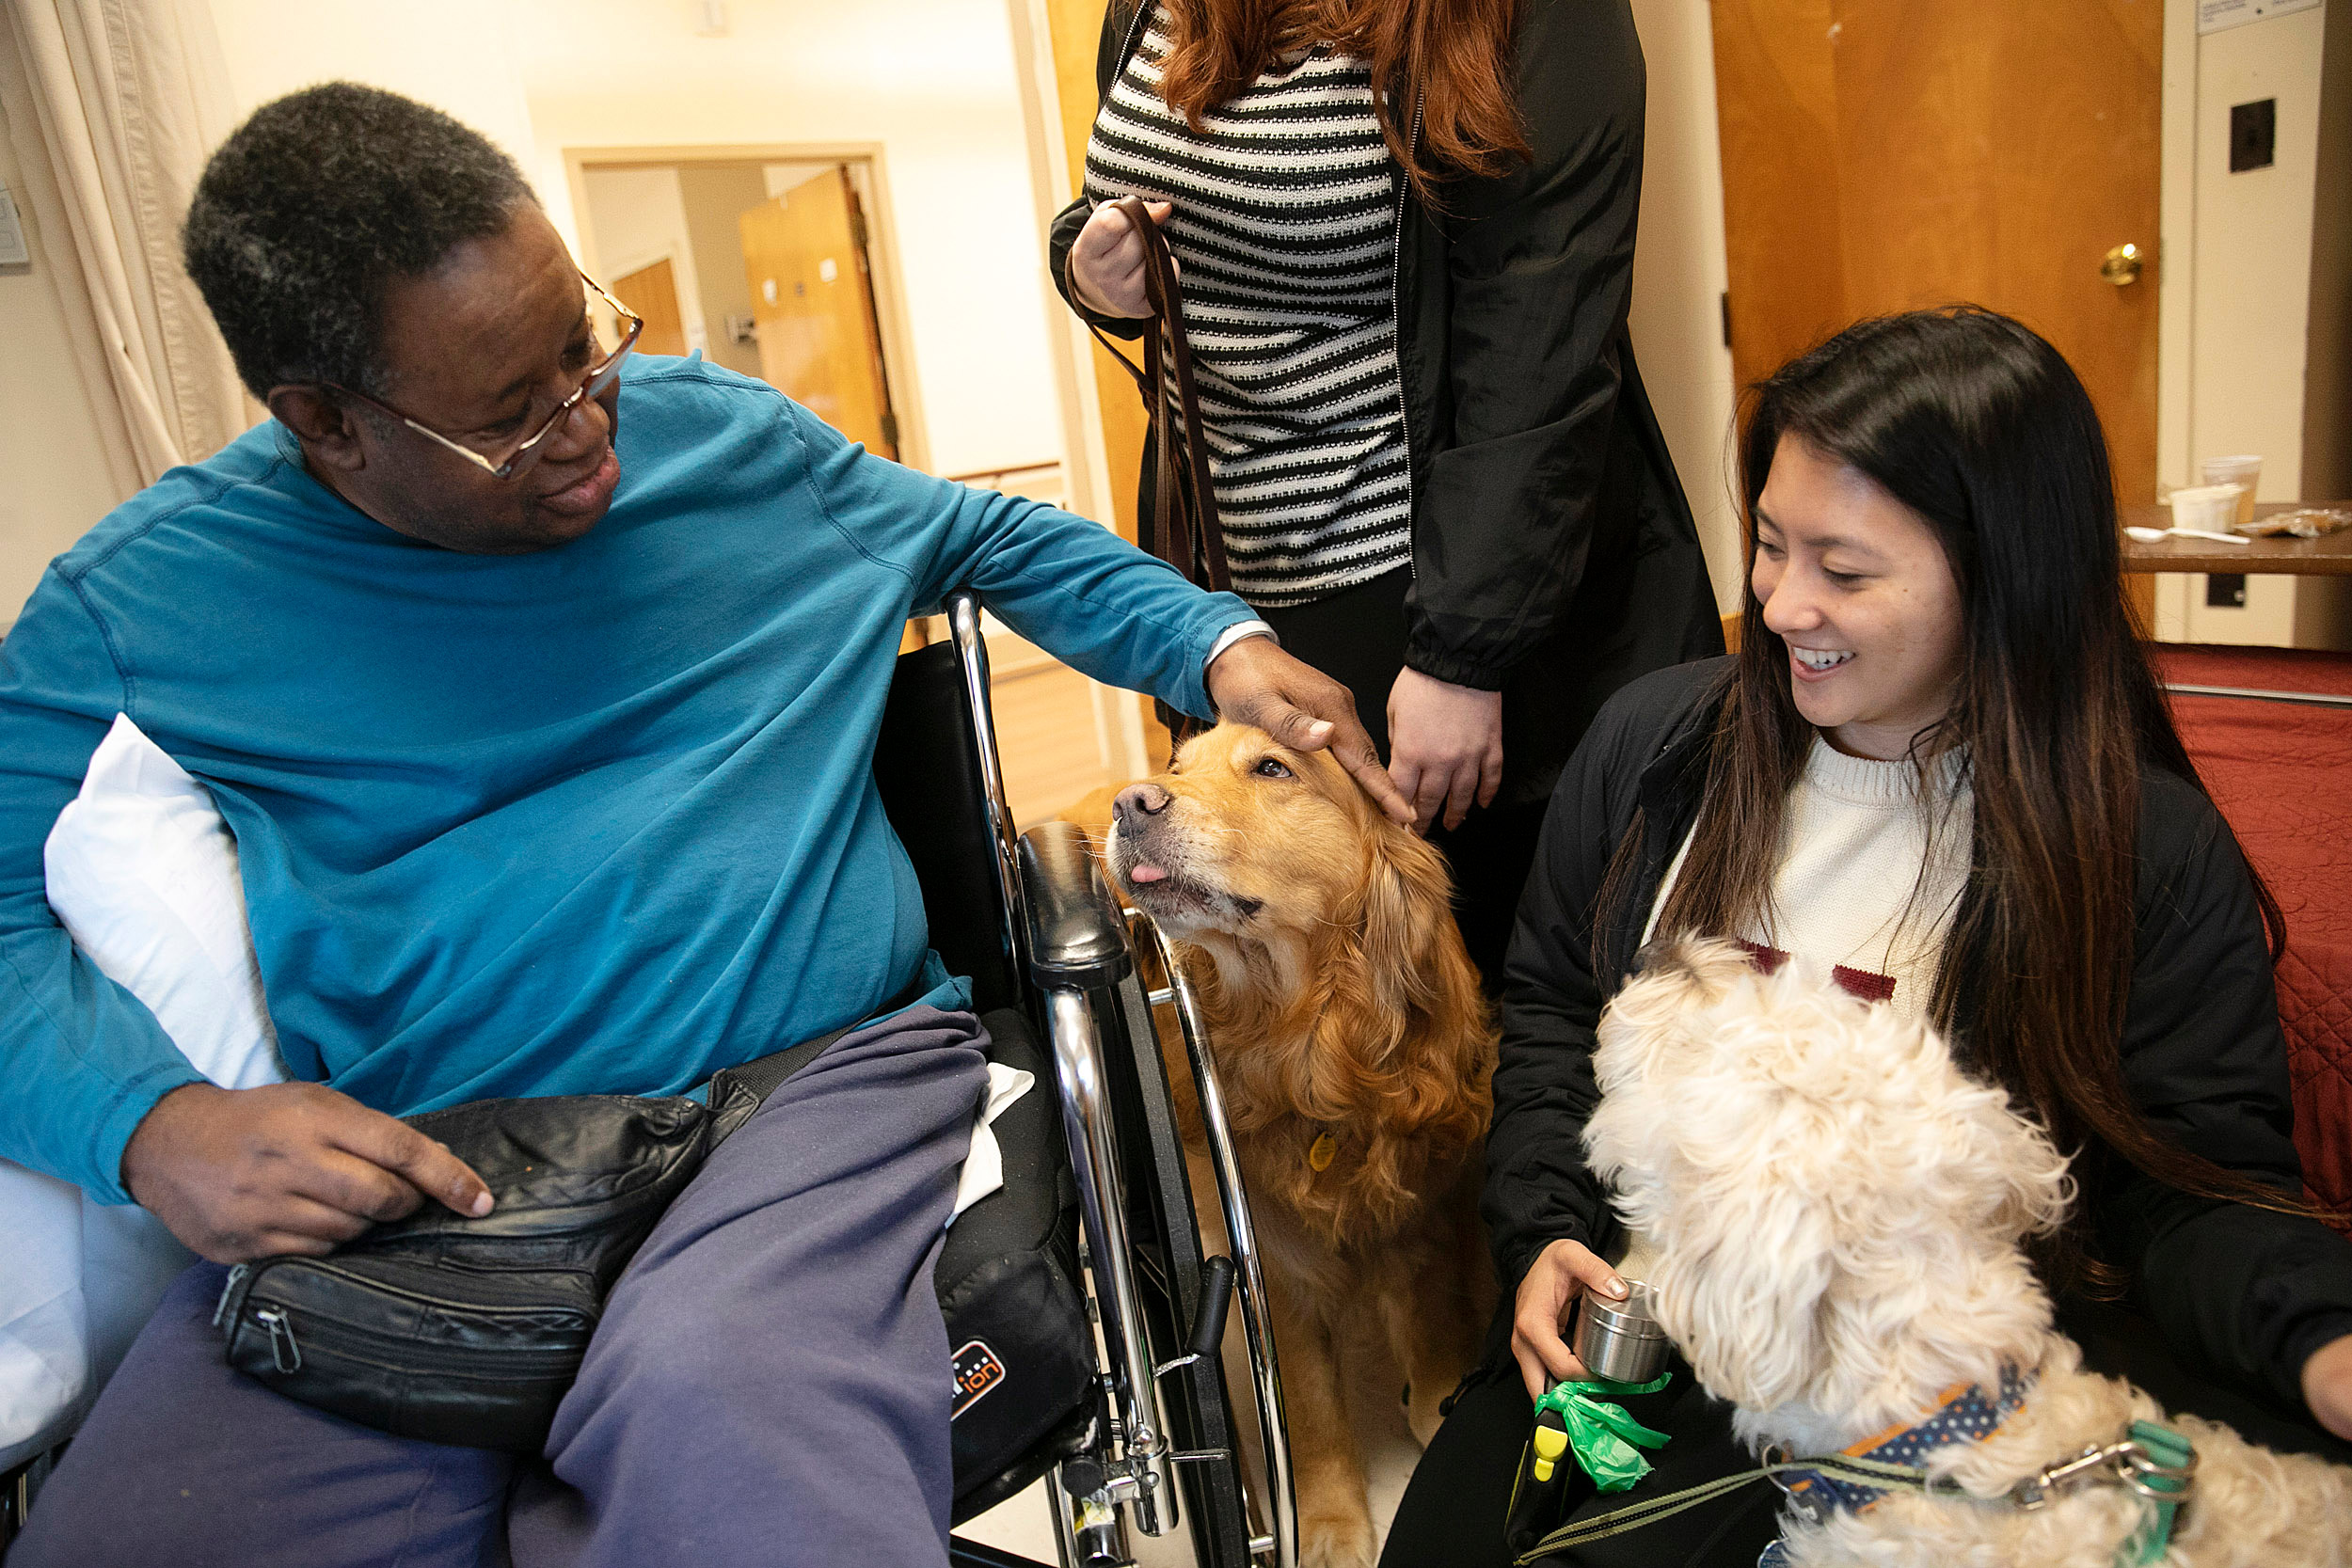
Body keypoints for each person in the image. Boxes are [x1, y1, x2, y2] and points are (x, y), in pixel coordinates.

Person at [0, 84, 1412, 1568]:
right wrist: (150, 1123)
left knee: (724, 1430)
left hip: (805, 1093)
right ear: (328, 425)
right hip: (431, 1164)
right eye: (512, 413)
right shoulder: (151, 597)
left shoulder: (728, 444)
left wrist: (1210, 643)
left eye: (582, 342)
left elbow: (986, 534)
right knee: (161, 1521)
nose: (591, 422)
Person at [1380, 308, 2352, 1567]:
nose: (1781, 606)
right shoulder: (1658, 749)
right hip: (1632, 1333)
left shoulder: (2137, 852)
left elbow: (2188, 1193)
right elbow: (1559, 1008)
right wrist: (1543, 1227)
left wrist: (2323, 1335)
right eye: (1772, 546)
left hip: (1893, 1395)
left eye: (1845, 568)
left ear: (1999, 575)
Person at [1048, 0, 1722, 988]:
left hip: (1437, 584)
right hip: (1242, 584)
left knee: (1472, 977)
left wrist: (1463, 651)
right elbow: (1130, 194)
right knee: (1307, 990)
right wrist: (1091, 265)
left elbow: (1539, 338)